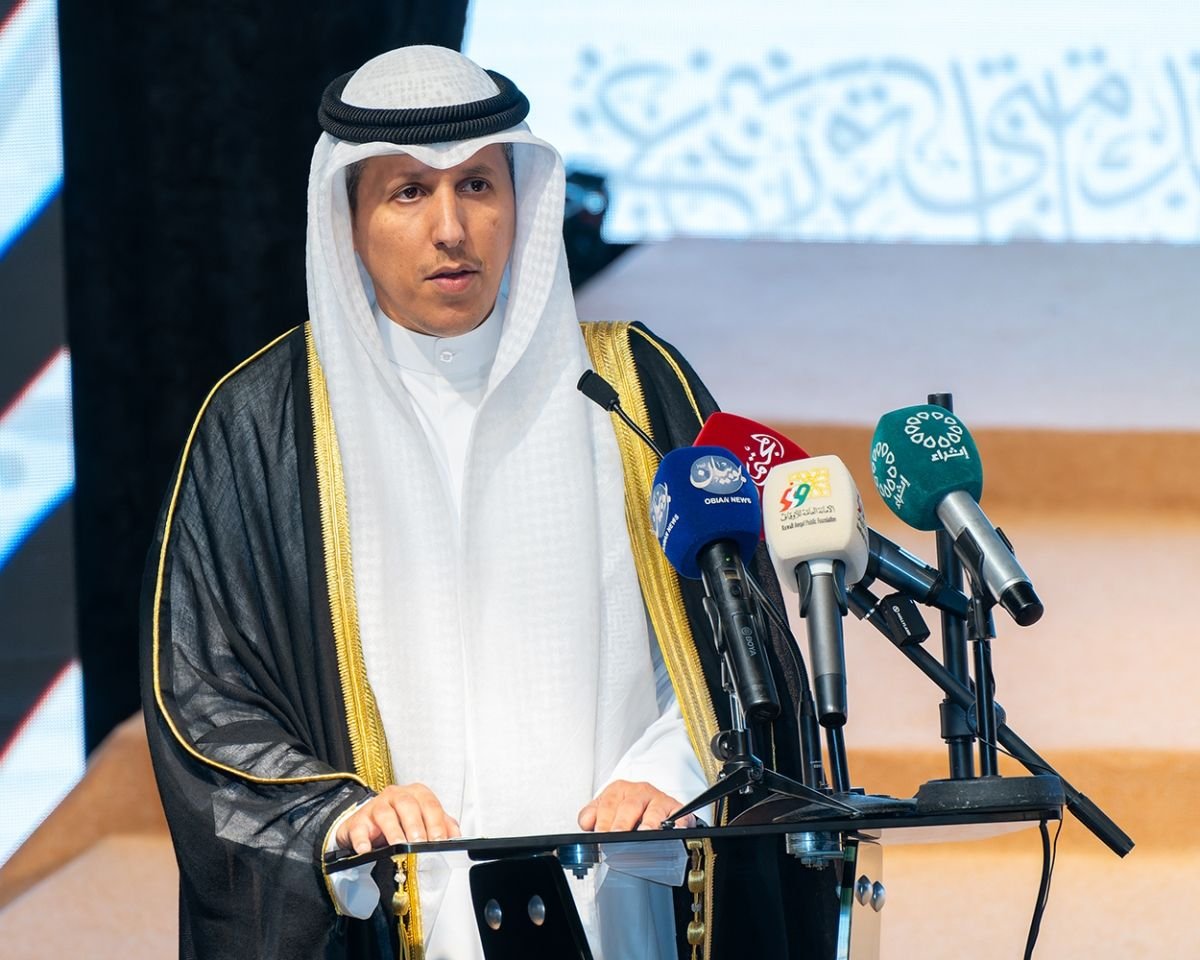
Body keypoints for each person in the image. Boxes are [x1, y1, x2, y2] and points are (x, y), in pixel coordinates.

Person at [141, 45, 835, 960]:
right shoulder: (264, 424)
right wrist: (339, 815)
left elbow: (734, 647)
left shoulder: (630, 386)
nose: (451, 229)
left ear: (522, 198)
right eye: (408, 193)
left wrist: (670, 774)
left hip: (624, 901)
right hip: (393, 914)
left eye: (476, 185)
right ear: (347, 218)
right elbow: (203, 691)